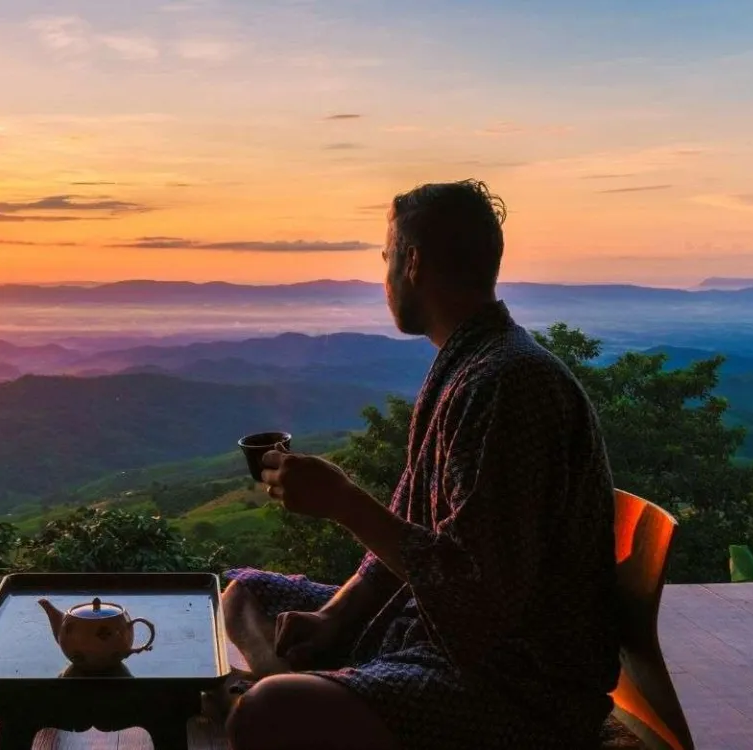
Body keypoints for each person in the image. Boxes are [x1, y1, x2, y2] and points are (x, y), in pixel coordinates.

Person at [221, 180, 620, 750]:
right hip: (422, 630)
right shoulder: (468, 366)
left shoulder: (507, 385)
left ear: (412, 262)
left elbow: (476, 604)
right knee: (244, 593)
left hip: (512, 685)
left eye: (386, 257)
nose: (384, 276)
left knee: (269, 713)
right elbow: (410, 535)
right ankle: (298, 681)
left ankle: (286, 689)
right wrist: (335, 616)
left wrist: (345, 504)